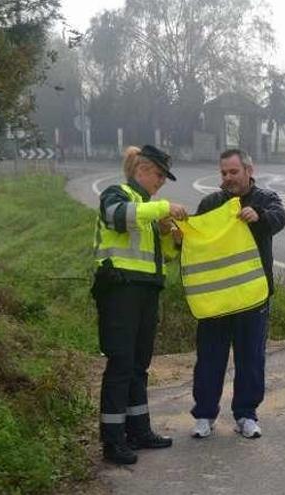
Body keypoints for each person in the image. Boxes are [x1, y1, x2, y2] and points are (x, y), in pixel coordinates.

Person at [93, 145, 188, 465]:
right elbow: (115, 217)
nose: (161, 181)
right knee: (120, 364)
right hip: (120, 290)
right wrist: (162, 209)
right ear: (141, 170)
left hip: (147, 291)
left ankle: (139, 430)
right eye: (159, 175)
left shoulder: (148, 208)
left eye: (164, 177)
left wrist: (168, 236)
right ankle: (113, 440)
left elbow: (166, 259)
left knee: (138, 365)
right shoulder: (117, 194)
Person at [190, 149, 285, 439]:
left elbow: (280, 218)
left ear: (248, 170)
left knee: (251, 360)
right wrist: (181, 233)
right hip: (216, 299)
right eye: (224, 173)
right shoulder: (211, 203)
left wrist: (259, 216)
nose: (228, 178)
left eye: (233, 172)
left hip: (252, 298)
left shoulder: (265, 199)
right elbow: (196, 239)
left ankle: (246, 415)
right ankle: (205, 415)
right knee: (209, 359)